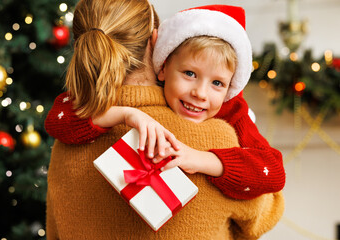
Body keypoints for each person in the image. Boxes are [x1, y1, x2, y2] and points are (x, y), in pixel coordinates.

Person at [46, 1, 284, 239]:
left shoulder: (66, 139)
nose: (200, 94)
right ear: (156, 42)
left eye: (217, 83)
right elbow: (265, 216)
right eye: (190, 73)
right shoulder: (218, 139)